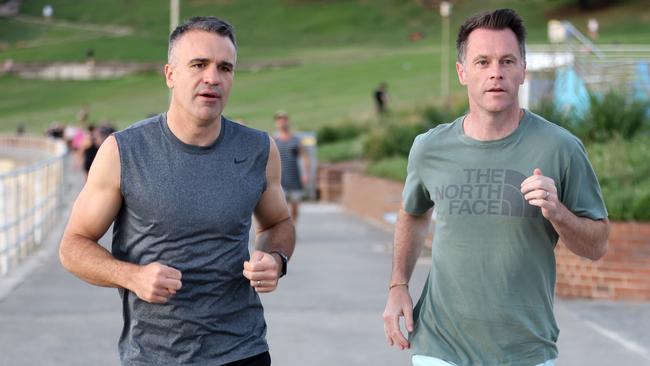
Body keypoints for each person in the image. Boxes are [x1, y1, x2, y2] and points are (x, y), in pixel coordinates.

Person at [59, 16, 295, 366]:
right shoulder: (123, 151)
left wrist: (275, 260)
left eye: (225, 68)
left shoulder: (259, 149)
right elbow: (73, 246)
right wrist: (132, 277)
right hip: (154, 356)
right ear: (170, 74)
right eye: (199, 64)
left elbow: (279, 224)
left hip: (244, 350)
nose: (212, 77)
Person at [382, 8, 609, 366]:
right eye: (482, 62)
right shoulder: (429, 148)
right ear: (462, 72)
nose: (495, 73)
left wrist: (558, 213)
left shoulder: (560, 148)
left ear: (523, 69)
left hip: (525, 351)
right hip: (439, 346)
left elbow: (596, 245)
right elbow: (412, 213)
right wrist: (398, 286)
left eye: (506, 61)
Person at [273, 111, 310, 222]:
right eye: (279, 120)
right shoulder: (274, 141)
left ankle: (293, 226)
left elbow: (305, 157)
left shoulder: (296, 141)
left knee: (295, 207)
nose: (282, 123)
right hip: (279, 179)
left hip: (295, 178)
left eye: (284, 120)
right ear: (276, 123)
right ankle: (285, 230)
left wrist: (306, 175)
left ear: (288, 121)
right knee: (281, 208)